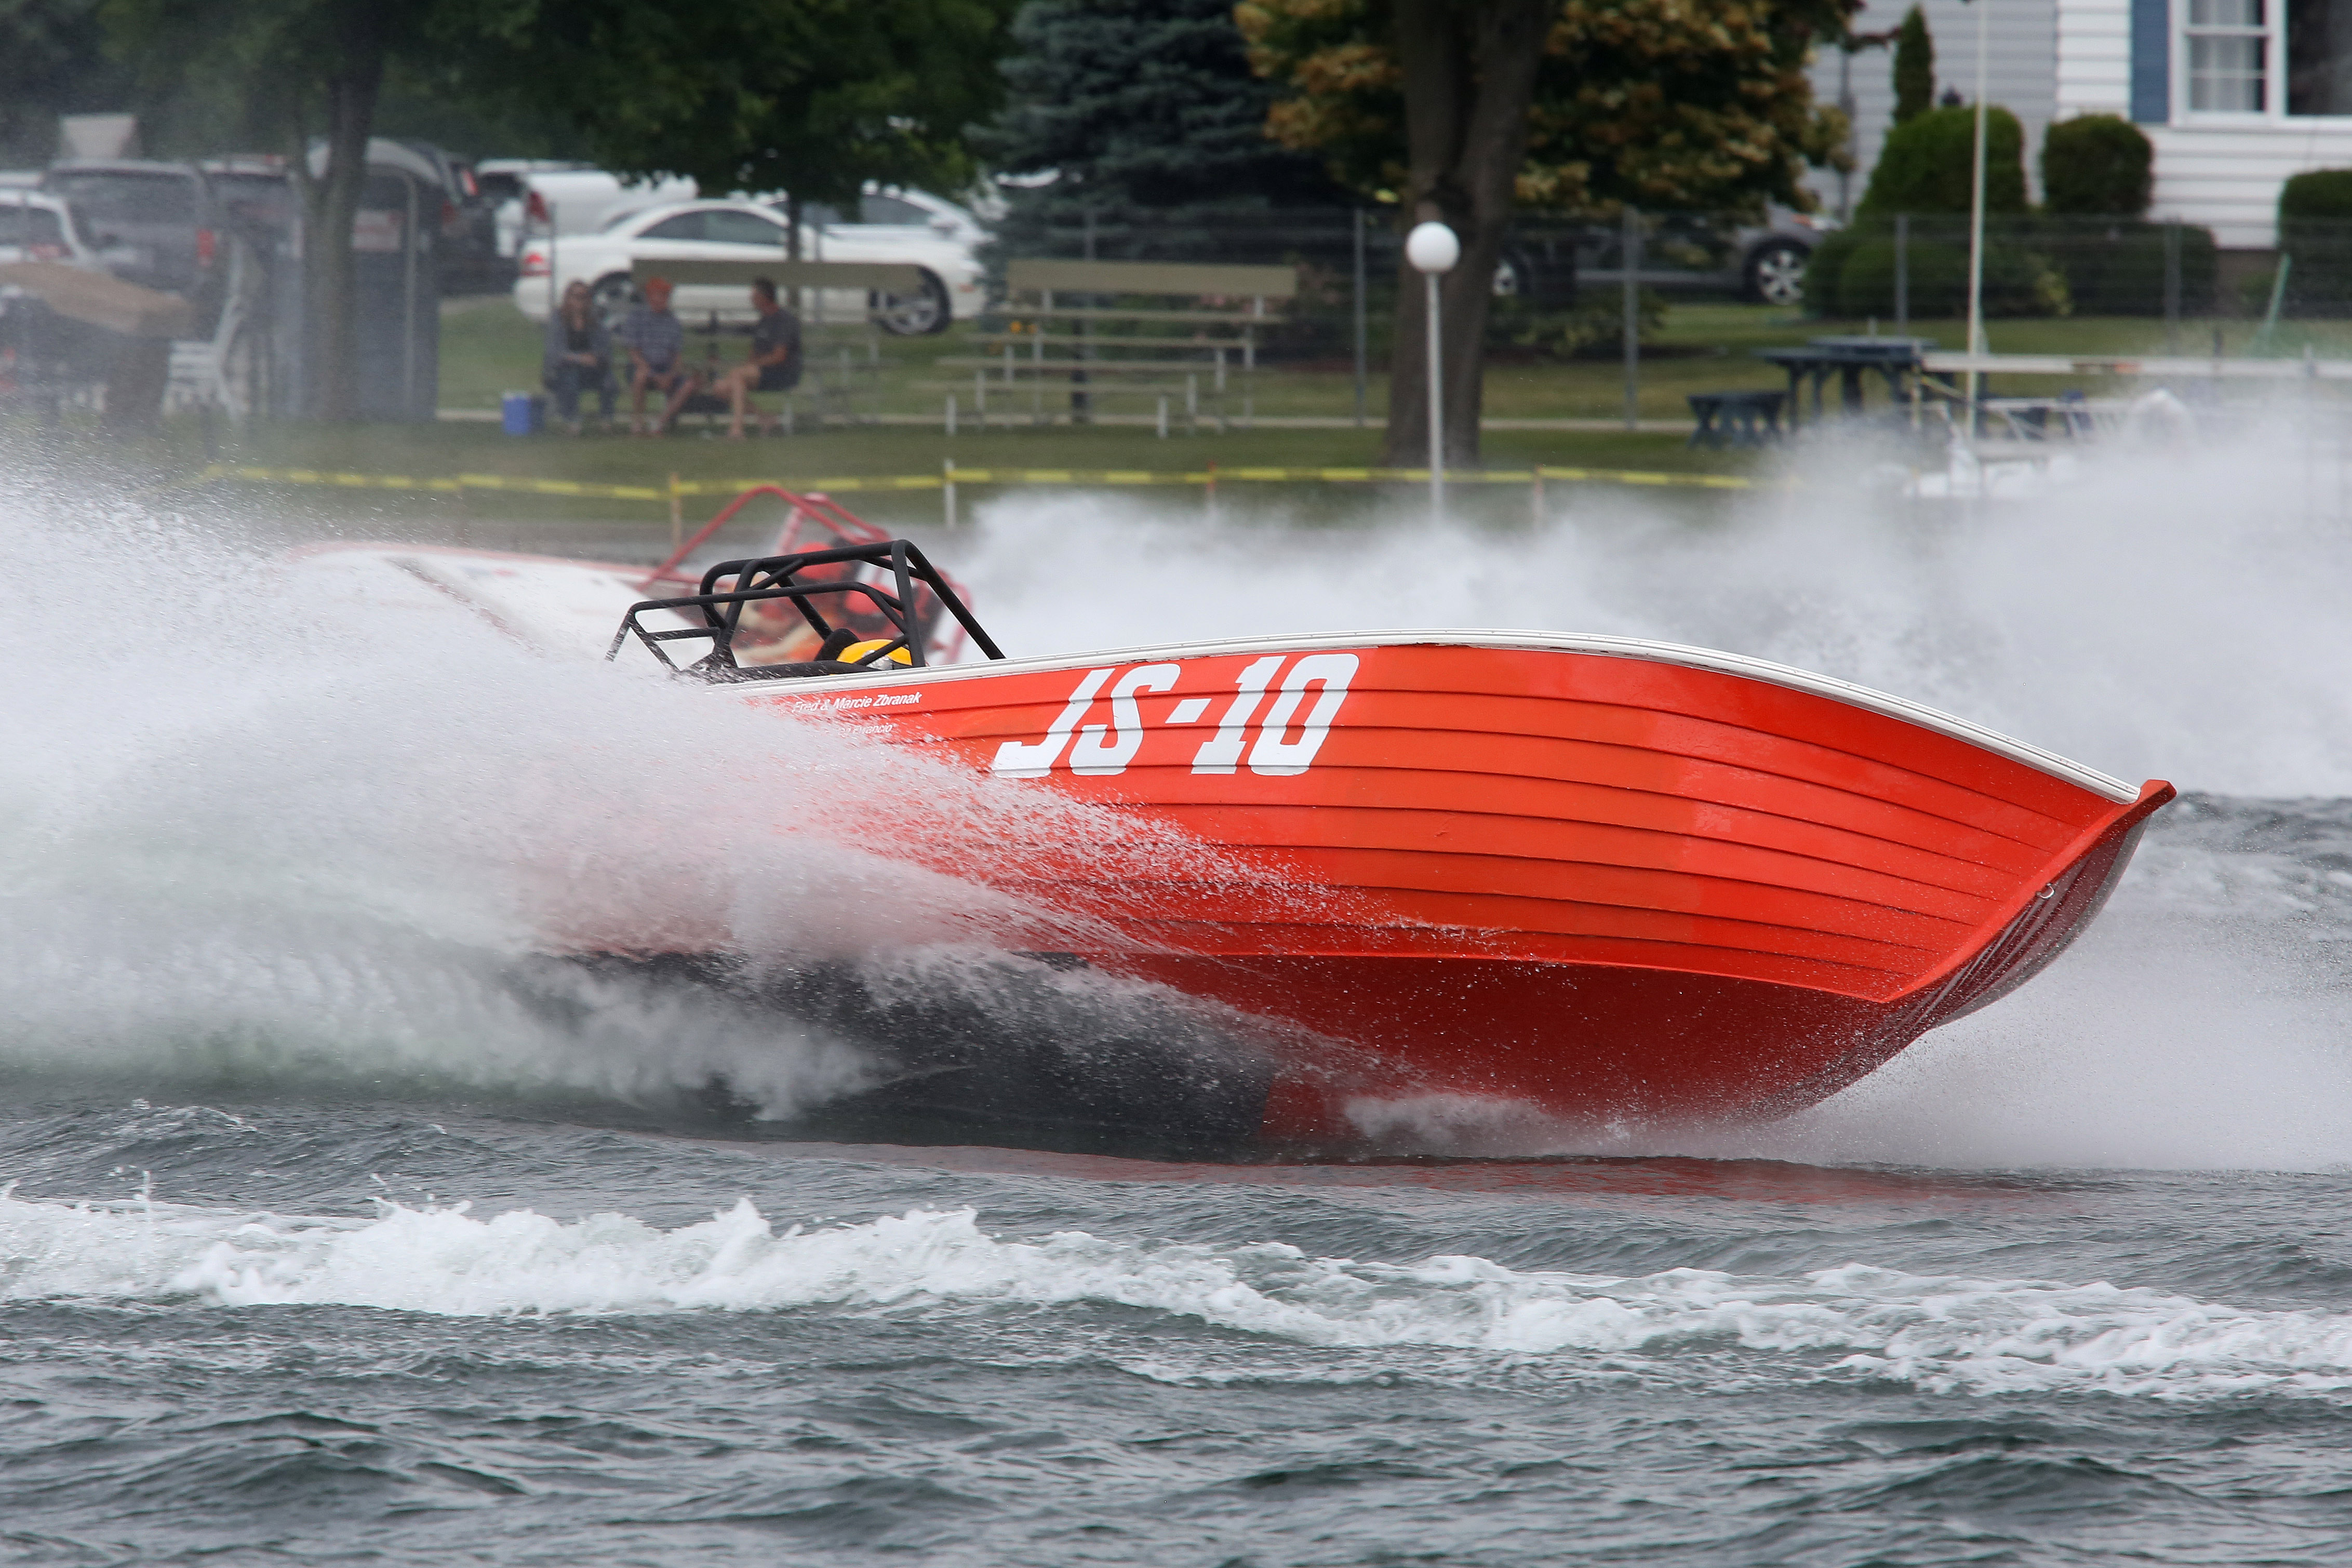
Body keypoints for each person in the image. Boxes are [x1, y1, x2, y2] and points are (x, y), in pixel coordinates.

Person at [712, 276, 801, 438]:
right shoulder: (763, 321)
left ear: (764, 297)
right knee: (720, 388)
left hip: (783, 372)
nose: (751, 299)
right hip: (762, 372)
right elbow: (754, 354)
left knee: (737, 376)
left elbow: (779, 357)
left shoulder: (784, 320)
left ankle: (737, 430)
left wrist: (750, 367)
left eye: (754, 296)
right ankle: (764, 418)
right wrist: (745, 367)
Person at [620, 275, 693, 435]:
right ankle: (638, 422)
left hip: (665, 368)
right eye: (659, 294)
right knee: (640, 376)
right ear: (649, 296)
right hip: (642, 366)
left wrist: (671, 375)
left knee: (688, 384)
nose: (663, 299)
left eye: (666, 295)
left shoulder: (673, 322)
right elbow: (633, 352)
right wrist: (651, 373)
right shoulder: (636, 318)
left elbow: (677, 356)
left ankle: (659, 423)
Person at [540, 280, 613, 434]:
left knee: (609, 382)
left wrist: (596, 357)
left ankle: (606, 418)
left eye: (584, 296)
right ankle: (572, 420)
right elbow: (555, 352)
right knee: (570, 378)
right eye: (576, 296)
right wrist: (579, 359)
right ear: (568, 298)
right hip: (563, 369)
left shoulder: (595, 320)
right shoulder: (558, 319)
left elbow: (604, 348)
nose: (580, 300)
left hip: (591, 369)